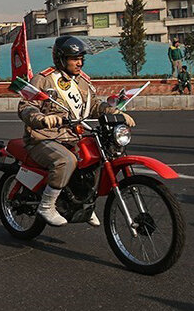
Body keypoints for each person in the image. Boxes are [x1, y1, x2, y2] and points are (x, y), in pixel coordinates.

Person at [17, 36, 136, 227]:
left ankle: (83, 205)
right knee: (66, 160)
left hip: (72, 136)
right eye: (74, 58)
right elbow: (26, 105)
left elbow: (95, 105)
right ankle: (46, 205)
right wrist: (41, 119)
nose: (79, 62)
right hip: (43, 138)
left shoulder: (83, 81)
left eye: (81, 58)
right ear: (61, 58)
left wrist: (115, 112)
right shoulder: (44, 79)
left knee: (98, 156)